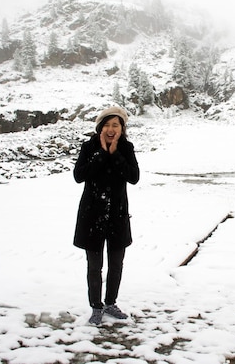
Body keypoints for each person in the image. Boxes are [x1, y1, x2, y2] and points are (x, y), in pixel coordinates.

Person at [73, 106, 140, 325]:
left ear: (122, 128)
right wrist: (101, 154)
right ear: (100, 127)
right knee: (94, 266)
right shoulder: (89, 147)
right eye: (107, 125)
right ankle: (96, 307)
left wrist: (115, 154)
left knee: (116, 264)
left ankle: (111, 303)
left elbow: (133, 177)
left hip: (117, 215)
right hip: (92, 215)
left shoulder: (126, 148)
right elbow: (79, 176)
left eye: (116, 125)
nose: (111, 129)